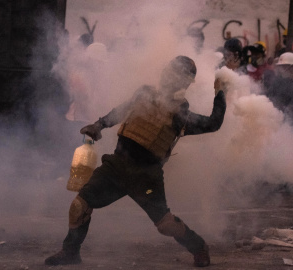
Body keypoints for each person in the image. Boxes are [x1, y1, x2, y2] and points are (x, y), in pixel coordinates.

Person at [45, 56, 227, 267]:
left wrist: (220, 93)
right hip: (117, 165)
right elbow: (122, 110)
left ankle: (198, 247)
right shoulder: (145, 93)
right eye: (170, 72)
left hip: (146, 176)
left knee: (166, 224)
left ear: (184, 82)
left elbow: (213, 124)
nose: (169, 77)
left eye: (177, 76)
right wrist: (99, 125)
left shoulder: (180, 113)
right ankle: (70, 252)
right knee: (80, 206)